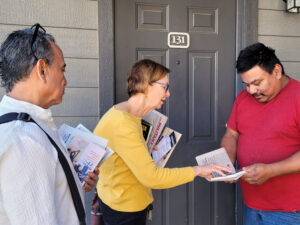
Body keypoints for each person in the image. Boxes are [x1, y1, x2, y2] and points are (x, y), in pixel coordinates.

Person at [93, 59, 232, 225]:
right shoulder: (123, 123)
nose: (168, 93)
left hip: (122, 200)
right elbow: (153, 178)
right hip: (124, 209)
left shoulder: (129, 115)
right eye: (164, 87)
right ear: (146, 85)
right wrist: (198, 170)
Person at [0, 24, 98, 225]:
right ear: (42, 69)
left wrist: (72, 182)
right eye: (62, 70)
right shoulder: (24, 141)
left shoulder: (26, 125)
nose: (65, 80)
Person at [221, 42, 300, 224]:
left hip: (290, 210)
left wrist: (271, 170)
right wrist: (226, 161)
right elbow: (231, 134)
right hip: (252, 204)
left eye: (257, 83)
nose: (251, 91)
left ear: (277, 71)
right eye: (246, 84)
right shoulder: (243, 99)